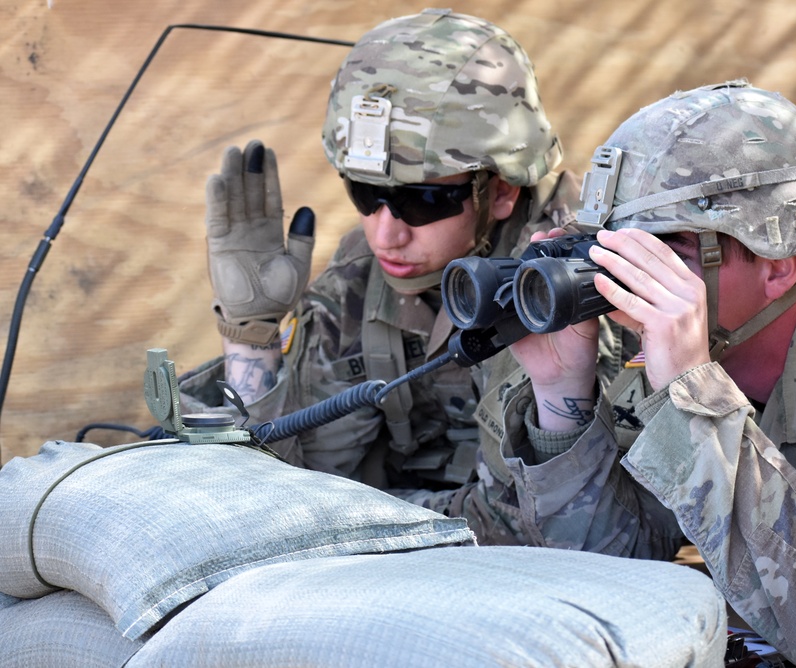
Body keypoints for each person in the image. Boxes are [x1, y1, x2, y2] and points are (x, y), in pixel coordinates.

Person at [422, 80, 796, 667]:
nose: (628, 275)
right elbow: (611, 573)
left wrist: (693, 394)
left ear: (778, 262)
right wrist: (561, 393)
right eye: (608, 247)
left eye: (659, 248)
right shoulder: (670, 349)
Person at [178, 8, 579, 490]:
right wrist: (251, 334)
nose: (385, 235)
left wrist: (381, 520)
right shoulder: (362, 273)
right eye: (366, 194)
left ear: (500, 191)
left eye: (422, 200)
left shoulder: (576, 281)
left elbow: (573, 528)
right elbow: (277, 487)